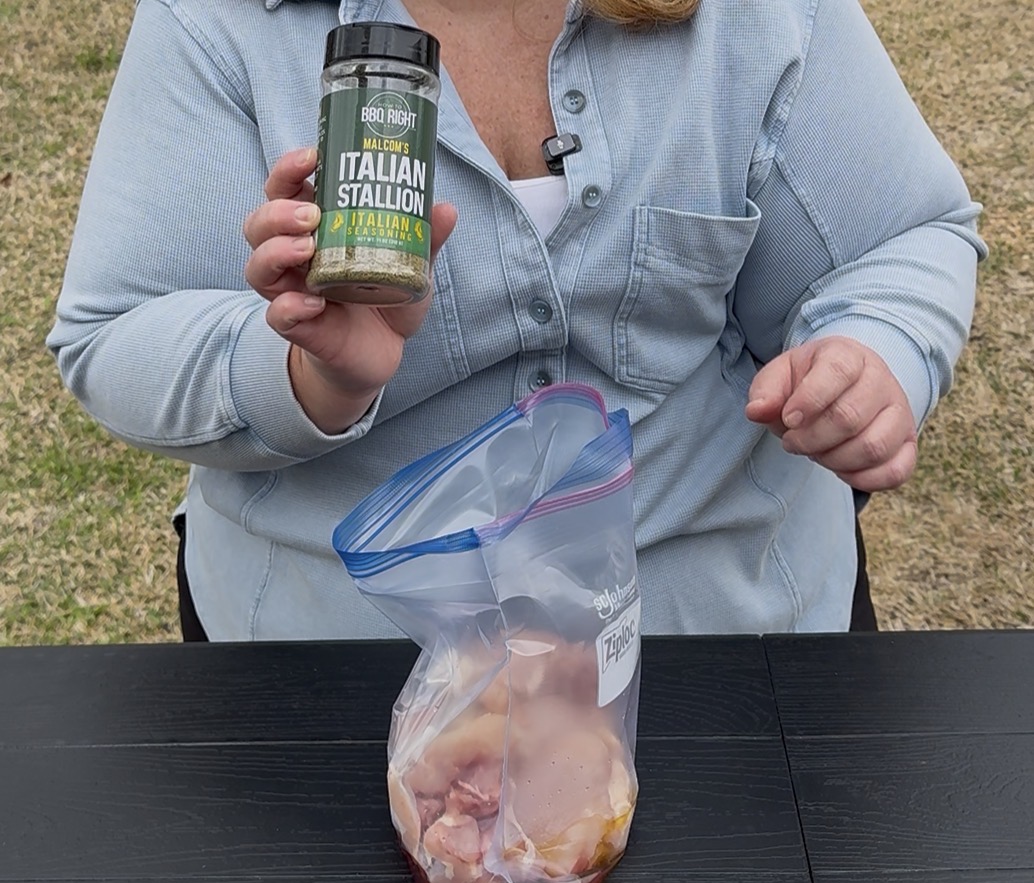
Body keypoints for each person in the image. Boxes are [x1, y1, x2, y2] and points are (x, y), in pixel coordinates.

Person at [48, 0, 985, 642]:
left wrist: (875, 353)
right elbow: (114, 334)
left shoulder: (756, 16)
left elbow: (897, 239)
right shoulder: (219, 23)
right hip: (336, 682)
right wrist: (308, 376)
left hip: (734, 653)